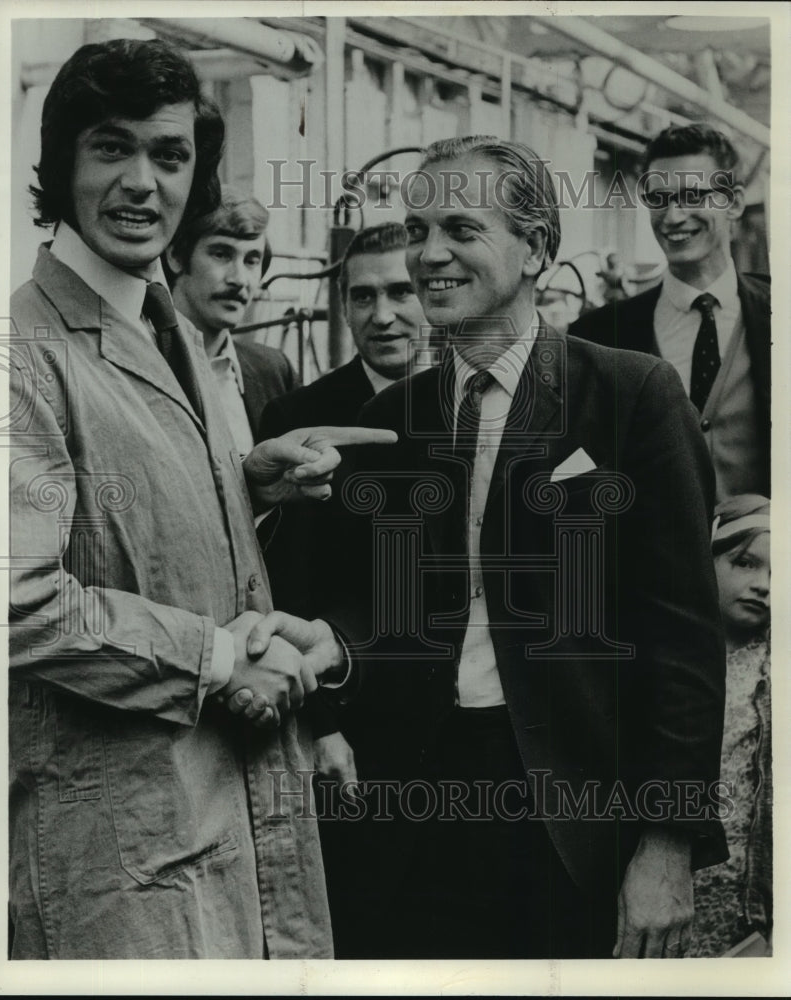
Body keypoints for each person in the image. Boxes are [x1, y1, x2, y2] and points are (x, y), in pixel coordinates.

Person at [248, 135, 728, 959]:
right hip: (407, 810)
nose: (429, 253)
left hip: (569, 821)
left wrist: (666, 843)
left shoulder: (630, 395)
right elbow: (392, 610)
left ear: (536, 246)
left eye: (461, 230)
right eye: (418, 227)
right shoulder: (397, 418)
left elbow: (680, 638)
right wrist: (335, 646)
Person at [8, 37, 391, 960]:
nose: (143, 181)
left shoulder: (161, 322)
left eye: (170, 155)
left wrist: (241, 483)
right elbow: (14, 601)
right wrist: (219, 657)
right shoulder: (21, 351)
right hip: (121, 846)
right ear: (62, 163)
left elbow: (117, 522)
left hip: (233, 812)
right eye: (112, 147)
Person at [258, 222, 429, 956]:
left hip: (473, 718)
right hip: (360, 720)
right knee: (367, 922)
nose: (382, 314)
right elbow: (286, 582)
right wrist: (323, 724)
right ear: (341, 305)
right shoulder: (301, 417)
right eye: (362, 296)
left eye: (402, 291)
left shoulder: (480, 406)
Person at [569, 123, 770, 501]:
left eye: (693, 196)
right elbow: (576, 467)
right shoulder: (598, 335)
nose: (673, 216)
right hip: (647, 558)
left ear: (735, 203)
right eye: (658, 198)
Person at [689, 495, 772, 957]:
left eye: (779, 575)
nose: (763, 585)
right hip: (675, 873)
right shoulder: (673, 663)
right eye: (745, 563)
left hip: (746, 879)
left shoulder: (772, 665)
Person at [167, 185, 299, 447]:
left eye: (251, 260)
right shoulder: (140, 361)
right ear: (176, 257)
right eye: (221, 254)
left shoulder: (273, 370)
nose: (239, 279)